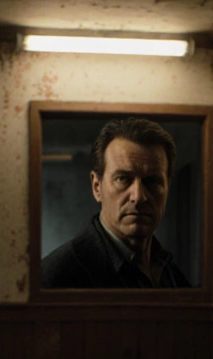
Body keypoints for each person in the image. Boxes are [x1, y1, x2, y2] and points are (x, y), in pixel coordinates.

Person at [42, 118, 192, 289]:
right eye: (123, 179)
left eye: (152, 181)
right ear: (97, 187)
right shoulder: (54, 279)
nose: (138, 196)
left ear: (167, 188)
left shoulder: (172, 275)